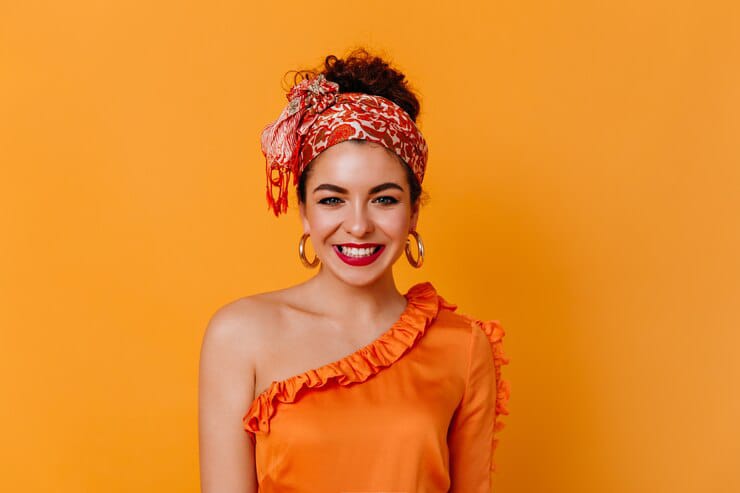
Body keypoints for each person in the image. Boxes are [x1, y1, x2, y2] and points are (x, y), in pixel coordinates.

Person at [198, 48, 510, 493]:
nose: (359, 225)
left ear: (413, 212)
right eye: (332, 199)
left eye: (384, 198)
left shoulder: (464, 346)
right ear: (304, 211)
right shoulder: (240, 335)